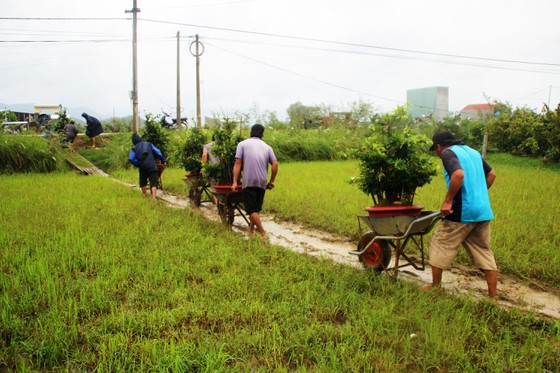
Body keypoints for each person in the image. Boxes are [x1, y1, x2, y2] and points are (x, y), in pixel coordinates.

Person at [424, 130, 498, 298]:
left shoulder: (447, 153)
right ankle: (493, 296)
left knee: (440, 242)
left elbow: (458, 174)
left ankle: (435, 286)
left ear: (438, 146)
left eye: (435, 149)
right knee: (483, 250)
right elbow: (492, 175)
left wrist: (448, 200)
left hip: (461, 212)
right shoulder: (473, 152)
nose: (437, 153)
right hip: (483, 211)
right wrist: (476, 194)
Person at [232, 124, 278, 238]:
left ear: (251, 132)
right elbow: (275, 163)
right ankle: (251, 231)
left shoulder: (242, 144)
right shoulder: (267, 147)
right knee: (256, 209)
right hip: (262, 182)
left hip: (249, 181)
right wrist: (271, 181)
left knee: (251, 209)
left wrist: (234, 182)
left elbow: (238, 163)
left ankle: (263, 233)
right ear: (262, 134)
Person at [129, 133, 167, 199]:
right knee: (154, 182)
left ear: (133, 141)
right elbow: (158, 152)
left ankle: (146, 196)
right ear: (140, 139)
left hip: (142, 167)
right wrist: (163, 160)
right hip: (152, 165)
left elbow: (131, 158)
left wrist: (138, 164)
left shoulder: (134, 148)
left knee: (142, 182)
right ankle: (153, 198)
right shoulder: (149, 144)